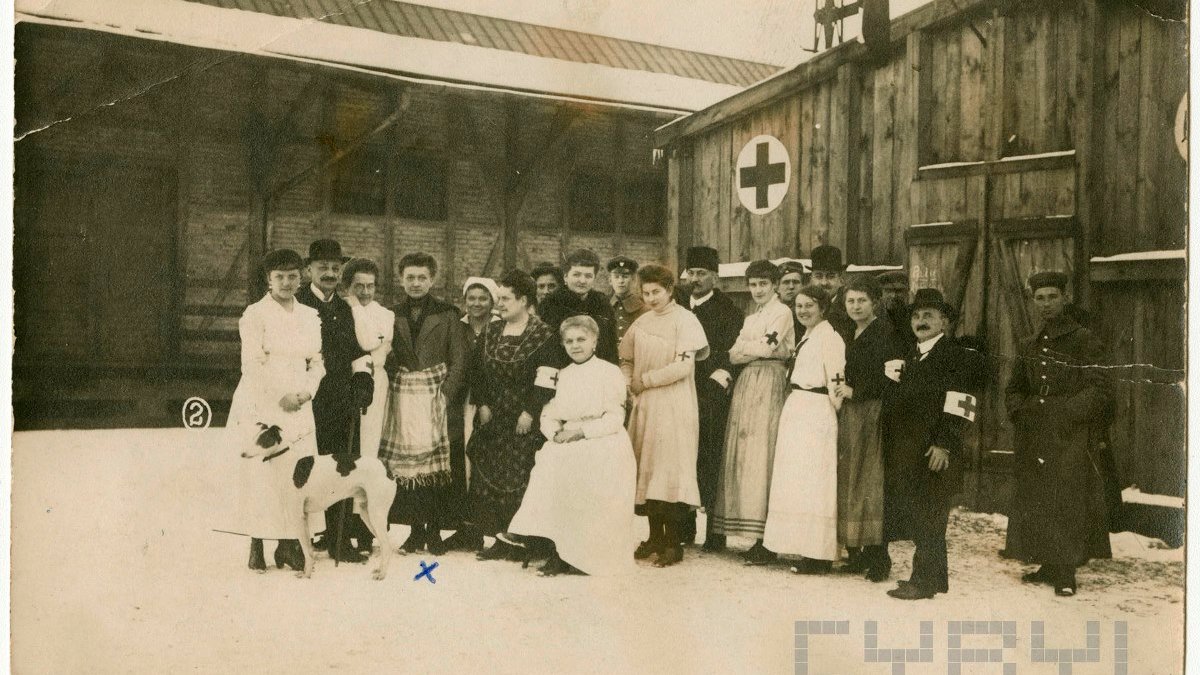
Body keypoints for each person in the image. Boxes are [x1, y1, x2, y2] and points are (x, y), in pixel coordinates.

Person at [1004, 271, 1113, 597]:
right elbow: (1014, 388)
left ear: (1066, 298)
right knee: (1037, 496)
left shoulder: (1084, 340)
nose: (1046, 304)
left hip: (1069, 435)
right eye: (1040, 298)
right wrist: (1021, 411)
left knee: (1066, 498)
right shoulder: (1030, 344)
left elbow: (1101, 388)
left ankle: (1066, 570)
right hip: (1034, 432)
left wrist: (1066, 412)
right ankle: (1047, 563)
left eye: (1052, 297)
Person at [505, 316, 637, 576]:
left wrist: (580, 433)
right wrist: (554, 434)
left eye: (581, 339)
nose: (575, 346)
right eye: (569, 341)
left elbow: (615, 417)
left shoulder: (609, 372)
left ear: (594, 341)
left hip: (603, 438)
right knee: (548, 464)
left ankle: (580, 554)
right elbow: (549, 414)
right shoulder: (562, 375)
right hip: (567, 437)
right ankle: (551, 544)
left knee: (580, 469)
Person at [227, 249, 324, 573]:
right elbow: (251, 364)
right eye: (279, 276)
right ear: (268, 279)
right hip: (262, 397)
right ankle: (257, 543)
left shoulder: (309, 315)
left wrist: (307, 391)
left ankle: (289, 543)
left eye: (292, 276)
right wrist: (280, 395)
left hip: (300, 400)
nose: (286, 282)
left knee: (296, 470)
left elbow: (317, 361)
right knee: (263, 471)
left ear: (301, 278)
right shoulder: (255, 314)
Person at [881, 288, 980, 600]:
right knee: (923, 516)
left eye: (929, 315)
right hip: (912, 452)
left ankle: (923, 582)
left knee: (931, 517)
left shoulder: (955, 356)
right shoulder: (914, 355)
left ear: (944, 322)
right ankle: (932, 579)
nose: (920, 321)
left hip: (936, 451)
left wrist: (944, 444)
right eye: (916, 316)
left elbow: (963, 405)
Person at [465, 270, 568, 561]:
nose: (498, 304)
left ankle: (522, 540)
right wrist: (483, 404)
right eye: (498, 298)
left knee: (520, 477)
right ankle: (498, 538)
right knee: (489, 477)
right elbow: (477, 370)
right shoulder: (492, 330)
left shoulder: (543, 334)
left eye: (505, 299)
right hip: (492, 416)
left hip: (523, 419)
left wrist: (530, 412)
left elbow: (547, 378)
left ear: (523, 301)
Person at [379, 252, 469, 556]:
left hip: (437, 399)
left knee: (435, 468)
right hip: (404, 399)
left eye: (422, 278)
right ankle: (415, 532)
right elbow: (385, 354)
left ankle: (435, 531)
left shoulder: (448, 314)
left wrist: (445, 395)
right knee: (409, 468)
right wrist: (398, 377)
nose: (415, 283)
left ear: (432, 280)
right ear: (401, 279)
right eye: (410, 278)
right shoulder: (391, 314)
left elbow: (459, 359)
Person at [622, 263, 709, 567]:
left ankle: (673, 542)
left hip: (674, 403)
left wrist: (645, 380)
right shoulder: (641, 322)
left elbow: (683, 366)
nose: (651, 298)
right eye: (646, 293)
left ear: (670, 290)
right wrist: (628, 384)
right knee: (648, 467)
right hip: (645, 404)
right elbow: (626, 358)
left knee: (669, 469)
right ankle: (654, 537)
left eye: (656, 292)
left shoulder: (686, 321)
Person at [712, 260, 795, 564]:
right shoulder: (751, 317)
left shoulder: (782, 312)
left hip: (771, 380)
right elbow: (733, 354)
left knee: (764, 453)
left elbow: (766, 349)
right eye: (753, 284)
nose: (758, 290)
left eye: (764, 284)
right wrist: (749, 348)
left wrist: (748, 348)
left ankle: (766, 539)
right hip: (748, 382)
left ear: (775, 285)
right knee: (745, 453)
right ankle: (748, 529)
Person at [295, 239, 371, 562]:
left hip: (341, 402)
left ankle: (339, 539)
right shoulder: (296, 303)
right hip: (305, 402)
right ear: (308, 269)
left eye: (335, 268)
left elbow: (358, 350)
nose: (329, 273)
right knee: (305, 469)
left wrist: (363, 380)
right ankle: (296, 542)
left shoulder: (345, 308)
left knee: (341, 469)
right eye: (322, 267)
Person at [761, 285, 846, 573]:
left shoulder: (830, 338)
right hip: (797, 407)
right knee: (795, 479)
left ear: (823, 308)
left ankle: (818, 555)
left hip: (817, 410)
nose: (803, 311)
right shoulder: (807, 336)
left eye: (809, 305)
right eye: (799, 306)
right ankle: (796, 545)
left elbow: (836, 380)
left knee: (814, 482)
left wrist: (830, 412)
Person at [680, 246, 743, 550]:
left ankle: (715, 533)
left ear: (715, 278)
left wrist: (720, 379)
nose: (695, 279)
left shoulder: (729, 310)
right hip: (679, 389)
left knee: (711, 457)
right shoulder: (678, 306)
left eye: (702, 273)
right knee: (683, 455)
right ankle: (684, 525)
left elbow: (733, 351)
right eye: (691, 273)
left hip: (711, 393)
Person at [833, 276, 893, 581]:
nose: (855, 306)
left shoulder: (886, 333)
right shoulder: (846, 332)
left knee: (870, 480)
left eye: (862, 301)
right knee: (850, 477)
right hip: (850, 413)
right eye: (851, 301)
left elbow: (892, 377)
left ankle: (879, 556)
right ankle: (856, 551)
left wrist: (857, 391)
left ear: (875, 303)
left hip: (873, 411)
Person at [344, 258, 394, 458]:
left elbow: (367, 342)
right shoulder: (341, 309)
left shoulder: (385, 315)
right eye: (359, 286)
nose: (365, 292)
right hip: (345, 379)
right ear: (348, 286)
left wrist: (356, 307)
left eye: (370, 286)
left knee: (368, 438)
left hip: (374, 380)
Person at [537, 249, 619, 364]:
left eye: (588, 276)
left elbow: (611, 346)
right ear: (566, 277)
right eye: (576, 275)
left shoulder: (602, 304)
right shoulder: (550, 304)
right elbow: (545, 348)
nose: (582, 280)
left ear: (594, 278)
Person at [810, 245, 853, 339]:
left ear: (841, 279)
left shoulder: (850, 310)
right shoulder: (802, 308)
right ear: (811, 279)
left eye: (831, 276)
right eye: (818, 276)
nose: (824, 282)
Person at [607, 255, 647, 347]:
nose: (621, 281)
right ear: (610, 280)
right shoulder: (604, 305)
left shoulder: (643, 307)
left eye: (625, 276)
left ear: (633, 280)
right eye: (616, 277)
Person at [778, 260, 807, 341]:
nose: (791, 286)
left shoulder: (808, 313)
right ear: (777, 287)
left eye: (796, 282)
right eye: (786, 282)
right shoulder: (771, 312)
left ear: (803, 286)